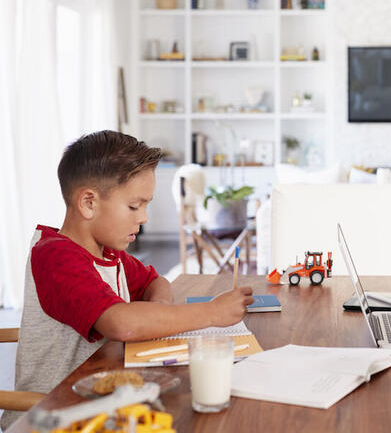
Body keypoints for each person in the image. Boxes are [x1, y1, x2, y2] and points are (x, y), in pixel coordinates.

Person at [1, 131, 253, 429]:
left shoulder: (109, 253)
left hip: (102, 408)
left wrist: (157, 312)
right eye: (135, 206)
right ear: (89, 203)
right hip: (53, 418)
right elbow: (122, 323)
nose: (144, 217)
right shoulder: (55, 257)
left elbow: (155, 282)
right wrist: (212, 313)